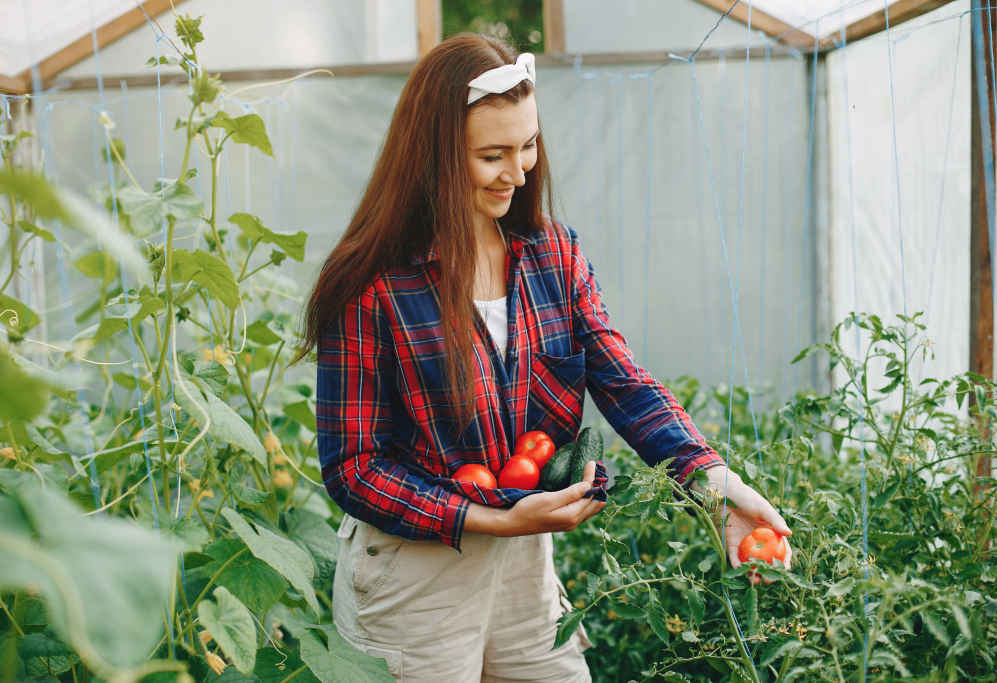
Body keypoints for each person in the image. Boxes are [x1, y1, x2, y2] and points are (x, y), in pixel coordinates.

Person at [296, 33, 792, 683]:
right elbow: (353, 467)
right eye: (491, 154)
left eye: (528, 145)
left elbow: (621, 379)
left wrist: (712, 481)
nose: (519, 170)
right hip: (413, 571)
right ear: (435, 158)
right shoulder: (374, 286)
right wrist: (487, 516)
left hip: (525, 562)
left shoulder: (552, 256)